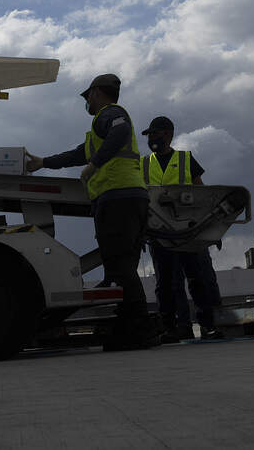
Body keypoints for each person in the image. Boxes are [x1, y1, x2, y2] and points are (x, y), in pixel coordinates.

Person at [26, 74, 158, 349]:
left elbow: (119, 132)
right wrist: (44, 162)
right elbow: (77, 154)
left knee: (120, 268)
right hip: (129, 198)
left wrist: (93, 165)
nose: (87, 102)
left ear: (97, 93)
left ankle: (140, 332)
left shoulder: (110, 114)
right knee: (123, 269)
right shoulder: (101, 129)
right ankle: (132, 329)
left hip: (118, 197)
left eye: (87, 97)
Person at [141, 116, 224, 341]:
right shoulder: (143, 164)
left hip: (189, 232)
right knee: (167, 283)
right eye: (149, 135)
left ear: (168, 134)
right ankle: (174, 328)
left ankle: (208, 326)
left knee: (199, 279)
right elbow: (140, 201)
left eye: (155, 133)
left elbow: (202, 194)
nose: (151, 138)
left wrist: (212, 228)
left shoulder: (185, 159)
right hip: (160, 233)